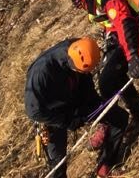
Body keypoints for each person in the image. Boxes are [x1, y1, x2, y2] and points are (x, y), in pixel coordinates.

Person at [49, 0, 139, 128]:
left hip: (135, 29)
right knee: (107, 78)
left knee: (108, 81)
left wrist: (132, 54)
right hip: (117, 34)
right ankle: (138, 112)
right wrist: (83, 0)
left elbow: (124, 22)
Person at [24, 36, 128, 178]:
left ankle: (106, 164)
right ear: (73, 65)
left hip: (77, 98)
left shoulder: (81, 47)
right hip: (53, 114)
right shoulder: (41, 73)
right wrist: (67, 122)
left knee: (119, 118)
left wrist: (96, 106)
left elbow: (86, 82)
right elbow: (34, 111)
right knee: (57, 163)